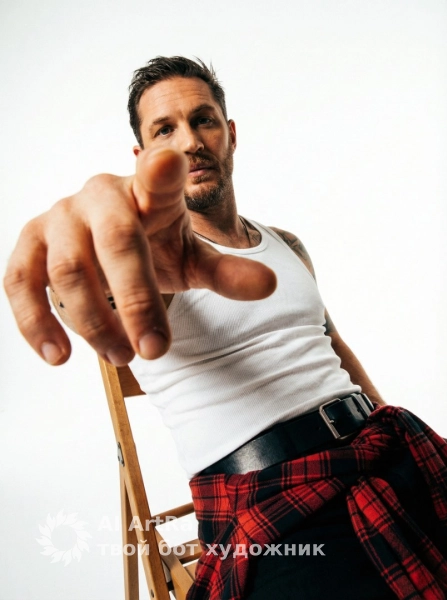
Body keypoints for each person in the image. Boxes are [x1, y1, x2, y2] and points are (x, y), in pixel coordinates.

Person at [4, 57, 447, 600]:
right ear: (140, 160)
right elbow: (95, 294)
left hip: (382, 451)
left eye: (203, 120)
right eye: (164, 130)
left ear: (230, 134)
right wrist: (77, 251)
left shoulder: (287, 245)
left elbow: (330, 344)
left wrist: (385, 427)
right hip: (269, 507)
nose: (190, 142)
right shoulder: (154, 264)